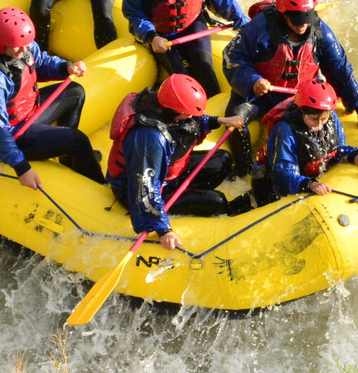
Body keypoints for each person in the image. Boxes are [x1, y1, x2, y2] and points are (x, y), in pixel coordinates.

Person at [222, 0, 358, 175]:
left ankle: (323, 169)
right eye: (296, 19)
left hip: (303, 97)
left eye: (306, 17)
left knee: (321, 126)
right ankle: (245, 170)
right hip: (261, 96)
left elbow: (340, 68)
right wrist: (253, 80)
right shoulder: (260, 27)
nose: (303, 24)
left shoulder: (320, 31)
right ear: (283, 15)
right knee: (235, 121)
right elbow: (232, 57)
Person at [0, 7, 105, 189]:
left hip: (27, 113)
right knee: (78, 140)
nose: (24, 50)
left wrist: (65, 67)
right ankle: (100, 186)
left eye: (27, 44)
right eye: (18, 47)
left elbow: (39, 62)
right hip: (11, 135)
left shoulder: (19, 41)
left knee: (74, 92)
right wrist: (22, 168)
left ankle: (70, 161)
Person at [107, 74, 252, 251]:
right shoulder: (149, 139)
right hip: (137, 189)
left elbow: (193, 121)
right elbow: (145, 188)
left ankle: (191, 193)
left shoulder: (164, 106)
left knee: (223, 160)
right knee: (217, 201)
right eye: (188, 113)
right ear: (175, 111)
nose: (191, 116)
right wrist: (163, 229)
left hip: (168, 171)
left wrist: (220, 120)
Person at [251, 79, 358, 206]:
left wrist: (354, 154)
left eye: (323, 119)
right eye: (313, 119)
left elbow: (337, 150)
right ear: (301, 111)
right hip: (270, 183)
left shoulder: (332, 118)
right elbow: (282, 176)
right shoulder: (285, 129)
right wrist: (309, 184)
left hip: (308, 175)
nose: (318, 125)